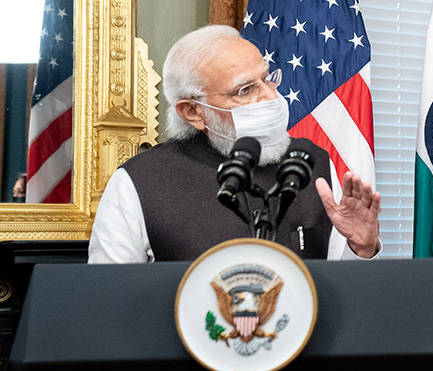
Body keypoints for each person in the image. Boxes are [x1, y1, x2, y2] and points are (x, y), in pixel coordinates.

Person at [89, 25, 381, 263]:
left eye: (268, 79)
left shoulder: (311, 161)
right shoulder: (140, 181)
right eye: (245, 90)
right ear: (193, 112)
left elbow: (344, 288)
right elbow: (110, 298)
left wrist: (364, 248)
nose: (269, 96)